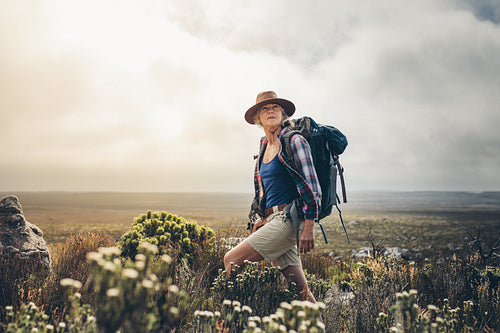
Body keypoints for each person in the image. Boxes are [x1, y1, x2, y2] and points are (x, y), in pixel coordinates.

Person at [223, 91, 321, 302]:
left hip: (290, 220)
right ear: (258, 118)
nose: (270, 111)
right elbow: (270, 193)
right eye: (264, 109)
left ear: (282, 113)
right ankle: (319, 324)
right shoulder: (263, 146)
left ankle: (234, 318)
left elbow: (313, 187)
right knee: (301, 292)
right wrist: (263, 218)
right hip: (274, 220)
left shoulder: (295, 141)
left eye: (275, 107)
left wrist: (309, 226)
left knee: (231, 260)